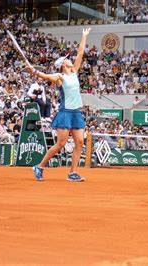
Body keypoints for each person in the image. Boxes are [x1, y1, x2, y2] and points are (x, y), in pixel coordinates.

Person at [29, 28, 91, 182]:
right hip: (64, 113)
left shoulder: (75, 71)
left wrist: (83, 36)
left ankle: (72, 173)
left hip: (76, 112)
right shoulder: (59, 77)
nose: (70, 59)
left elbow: (81, 53)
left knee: (80, 142)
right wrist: (35, 72)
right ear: (63, 64)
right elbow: (46, 76)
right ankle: (40, 166)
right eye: (67, 59)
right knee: (61, 144)